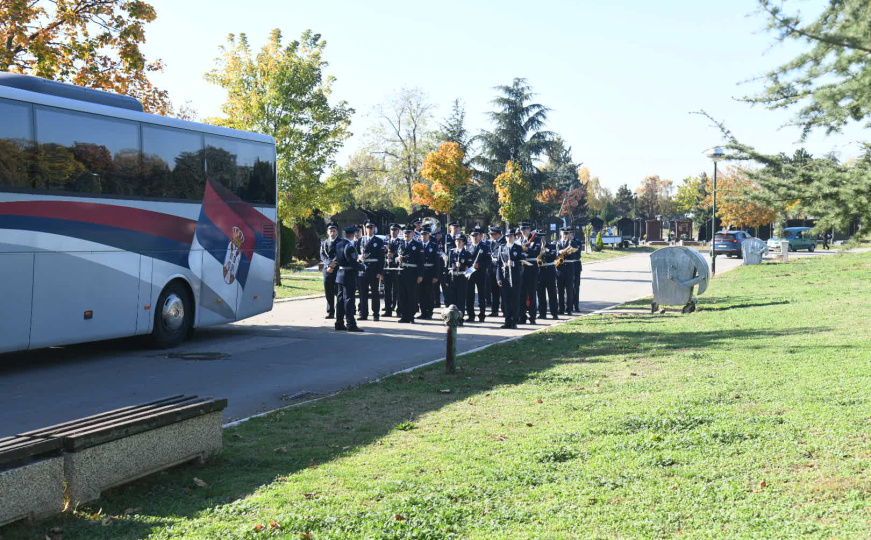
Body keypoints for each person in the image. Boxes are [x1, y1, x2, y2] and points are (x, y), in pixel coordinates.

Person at [334, 226, 363, 332]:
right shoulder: (349, 246)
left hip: (340, 274)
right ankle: (351, 324)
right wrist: (362, 267)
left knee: (340, 300)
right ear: (353, 234)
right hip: (349, 274)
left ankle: (339, 322)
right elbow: (353, 261)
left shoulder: (339, 244)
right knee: (349, 300)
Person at [495, 228, 524, 329]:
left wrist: (514, 263)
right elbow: (498, 264)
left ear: (514, 237)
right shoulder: (501, 248)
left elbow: (523, 261)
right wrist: (498, 278)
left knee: (515, 299)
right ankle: (507, 320)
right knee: (506, 300)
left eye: (511, 236)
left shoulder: (518, 248)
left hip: (515, 276)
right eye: (507, 236)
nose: (509, 238)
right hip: (505, 277)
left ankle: (514, 321)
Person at [357, 220, 385, 321]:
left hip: (374, 269)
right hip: (362, 269)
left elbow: (381, 258)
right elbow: (355, 253)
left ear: (374, 229)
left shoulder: (378, 241)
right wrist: (359, 257)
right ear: (364, 229)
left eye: (371, 228)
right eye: (367, 227)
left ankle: (376, 313)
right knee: (362, 293)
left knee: (375, 293)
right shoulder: (360, 240)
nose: (369, 229)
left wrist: (380, 272)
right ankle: (363, 313)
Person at [444, 234, 474, 325]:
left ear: (463, 242)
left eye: (460, 241)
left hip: (461, 277)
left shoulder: (467, 253)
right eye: (456, 241)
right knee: (451, 299)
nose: (457, 242)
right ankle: (451, 318)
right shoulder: (451, 252)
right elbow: (447, 266)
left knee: (461, 299)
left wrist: (463, 267)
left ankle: (460, 319)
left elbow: (471, 268)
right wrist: (446, 279)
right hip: (452, 277)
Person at [396, 225, 423, 323]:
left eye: (408, 233)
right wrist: (396, 258)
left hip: (412, 272)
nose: (406, 234)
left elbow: (421, 261)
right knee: (402, 295)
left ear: (412, 234)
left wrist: (420, 275)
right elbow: (394, 255)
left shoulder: (418, 245)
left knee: (411, 295)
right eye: (405, 233)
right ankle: (404, 316)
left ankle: (411, 316)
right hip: (401, 272)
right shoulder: (400, 243)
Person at [465, 226, 491, 322]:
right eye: (473, 236)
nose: (475, 237)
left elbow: (489, 261)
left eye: (477, 235)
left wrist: (479, 265)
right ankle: (470, 315)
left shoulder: (485, 247)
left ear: (480, 236)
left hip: (481, 274)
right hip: (470, 274)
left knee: (481, 295)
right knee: (469, 295)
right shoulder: (467, 246)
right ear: (470, 236)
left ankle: (482, 315)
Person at [517, 222, 542, 324]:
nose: (523, 231)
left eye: (525, 229)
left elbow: (536, 252)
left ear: (529, 229)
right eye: (521, 230)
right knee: (521, 294)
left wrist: (527, 249)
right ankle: (522, 316)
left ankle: (532, 317)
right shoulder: (519, 240)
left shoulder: (536, 239)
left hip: (532, 268)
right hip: (522, 268)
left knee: (532, 294)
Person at [417, 227, 441, 319]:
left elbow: (437, 262)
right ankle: (423, 312)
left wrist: (436, 276)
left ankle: (429, 312)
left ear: (429, 235)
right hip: (420, 272)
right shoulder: (418, 245)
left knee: (429, 293)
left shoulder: (434, 245)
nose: (424, 236)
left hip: (430, 272)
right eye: (422, 234)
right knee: (421, 293)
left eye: (425, 234)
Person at [537, 230, 559, 320]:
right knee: (540, 294)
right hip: (540, 271)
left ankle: (554, 313)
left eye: (542, 238)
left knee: (552, 293)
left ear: (544, 238)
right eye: (539, 238)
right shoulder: (535, 247)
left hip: (550, 271)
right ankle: (542, 313)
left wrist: (545, 251)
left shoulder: (551, 246)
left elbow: (553, 256)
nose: (541, 240)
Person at [320, 222, 340, 319]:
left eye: (334, 231)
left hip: (337, 269)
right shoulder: (324, 243)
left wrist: (333, 264)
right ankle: (330, 312)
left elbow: (340, 254)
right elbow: (322, 255)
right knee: (328, 292)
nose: (332, 232)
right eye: (330, 231)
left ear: (337, 232)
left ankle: (340, 311)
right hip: (327, 270)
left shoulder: (340, 242)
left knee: (339, 292)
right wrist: (329, 263)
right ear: (327, 232)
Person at [382, 223, 402, 317]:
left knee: (397, 290)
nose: (393, 232)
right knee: (387, 290)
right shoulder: (386, 241)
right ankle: (388, 310)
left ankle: (399, 310)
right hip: (387, 267)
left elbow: (401, 253)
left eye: (395, 230)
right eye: (392, 230)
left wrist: (394, 255)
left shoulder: (400, 241)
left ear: (398, 231)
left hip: (396, 268)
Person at [556, 227, 575, 316]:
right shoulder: (557, 243)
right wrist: (559, 252)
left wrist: (570, 253)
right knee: (560, 289)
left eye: (567, 233)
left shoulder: (572, 243)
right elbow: (554, 253)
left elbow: (577, 255)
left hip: (569, 268)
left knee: (569, 290)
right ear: (561, 233)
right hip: (560, 268)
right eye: (564, 233)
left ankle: (569, 309)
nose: (565, 235)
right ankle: (561, 308)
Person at [488, 225, 506, 317]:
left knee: (503, 291)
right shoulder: (491, 242)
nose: (491, 236)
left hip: (501, 268)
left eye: (492, 234)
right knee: (494, 291)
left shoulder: (504, 242)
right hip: (492, 268)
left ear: (497, 234)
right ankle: (494, 310)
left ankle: (504, 310)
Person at [569, 227, 584, 312]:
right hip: (567, 266)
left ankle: (576, 305)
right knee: (568, 287)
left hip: (576, 265)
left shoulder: (577, 241)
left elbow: (577, 254)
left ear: (571, 234)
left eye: (567, 233)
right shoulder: (563, 242)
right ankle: (569, 305)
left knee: (576, 286)